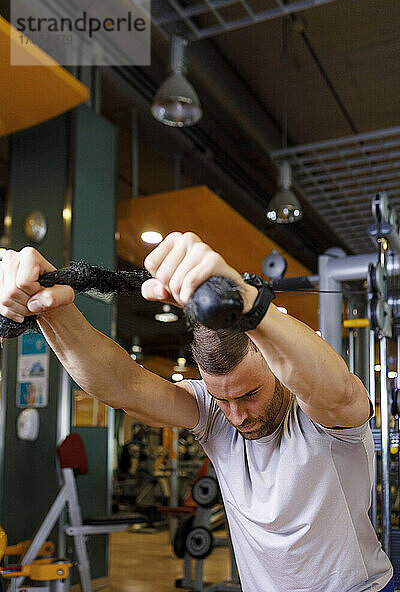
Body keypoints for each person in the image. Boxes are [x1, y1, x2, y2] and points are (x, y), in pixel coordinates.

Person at [0, 232, 394, 592]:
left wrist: (249, 303)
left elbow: (338, 390)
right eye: (223, 399)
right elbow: (124, 385)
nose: (236, 415)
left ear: (272, 362)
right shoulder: (213, 413)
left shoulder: (325, 416)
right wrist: (49, 309)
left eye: (249, 394)